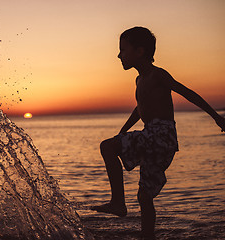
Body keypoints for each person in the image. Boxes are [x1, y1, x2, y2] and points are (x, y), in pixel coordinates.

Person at [91, 26, 225, 239]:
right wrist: (123, 131)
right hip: (158, 139)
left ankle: (118, 202)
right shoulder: (139, 80)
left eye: (123, 50)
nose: (118, 55)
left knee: (107, 147)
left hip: (160, 136)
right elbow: (140, 109)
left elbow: (188, 93)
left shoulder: (157, 74)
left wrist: (216, 117)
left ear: (140, 51)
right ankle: (147, 236)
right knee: (144, 197)